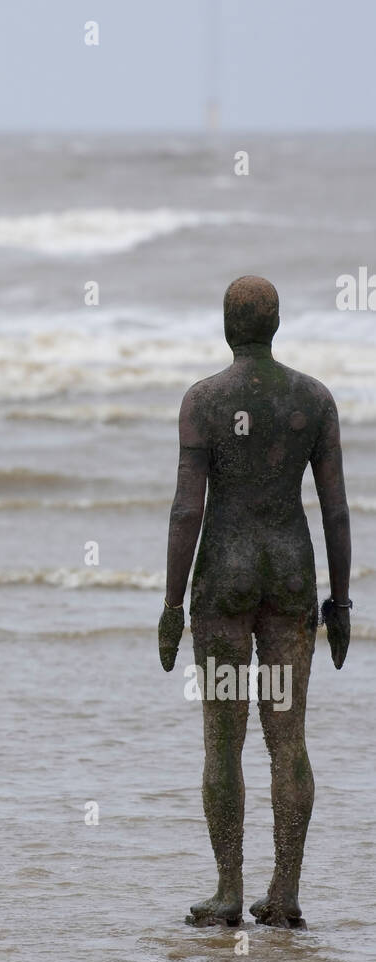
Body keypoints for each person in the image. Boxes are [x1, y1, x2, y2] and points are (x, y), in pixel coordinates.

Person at [158, 276, 351, 928]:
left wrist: (171, 604)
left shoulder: (204, 401)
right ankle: (286, 892)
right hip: (292, 576)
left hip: (224, 582)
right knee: (288, 740)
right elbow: (336, 512)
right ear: (276, 324)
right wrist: (342, 603)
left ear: (226, 325)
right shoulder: (314, 400)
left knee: (223, 741)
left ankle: (229, 890)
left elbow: (189, 508)